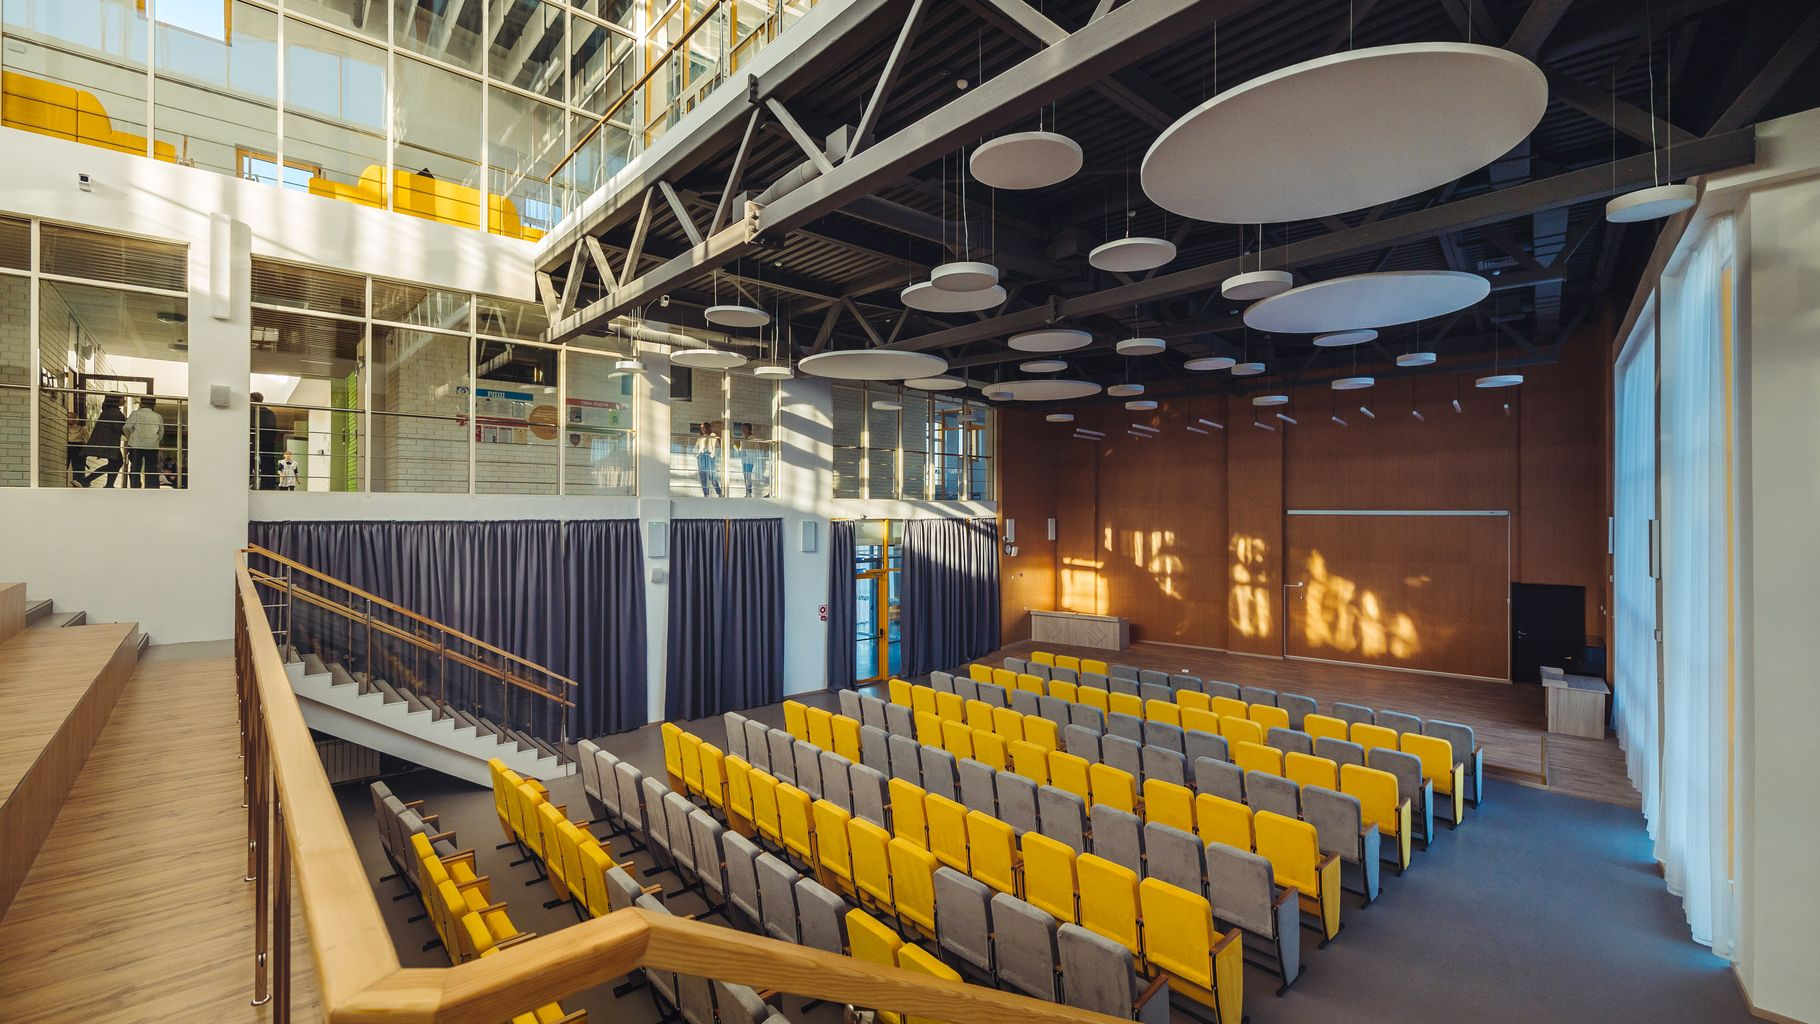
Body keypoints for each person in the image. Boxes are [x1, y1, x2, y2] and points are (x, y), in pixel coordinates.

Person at [77, 395, 125, 487]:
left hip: (105, 441)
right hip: (110, 442)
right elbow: (119, 428)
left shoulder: (106, 411)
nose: (124, 400)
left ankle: (108, 484)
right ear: (116, 400)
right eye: (122, 398)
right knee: (117, 463)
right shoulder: (116, 413)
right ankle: (87, 480)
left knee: (114, 463)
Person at [122, 396, 164, 488]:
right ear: (154, 405)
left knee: (135, 467)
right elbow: (161, 432)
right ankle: (151, 487)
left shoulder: (135, 414)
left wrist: (130, 437)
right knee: (151, 468)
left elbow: (126, 427)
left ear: (141, 403)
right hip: (152, 445)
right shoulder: (158, 416)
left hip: (136, 444)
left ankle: (135, 486)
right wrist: (156, 441)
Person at [249, 392, 280, 489]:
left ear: (253, 400)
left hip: (258, 442)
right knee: (267, 465)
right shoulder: (269, 413)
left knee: (252, 463)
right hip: (266, 443)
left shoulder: (251, 412)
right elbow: (273, 430)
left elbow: (271, 429)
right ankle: (268, 486)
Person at [694, 420, 722, 496]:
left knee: (711, 475)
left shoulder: (712, 434)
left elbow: (716, 447)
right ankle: (706, 494)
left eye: (703, 427)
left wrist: (711, 455)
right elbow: (696, 447)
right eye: (701, 428)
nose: (702, 429)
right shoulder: (700, 437)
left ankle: (719, 492)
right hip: (701, 456)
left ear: (707, 427)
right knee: (702, 475)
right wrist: (697, 455)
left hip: (708, 456)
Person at [736, 422, 763, 497]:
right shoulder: (744, 439)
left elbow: (757, 449)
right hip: (744, 460)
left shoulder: (753, 438)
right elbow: (741, 449)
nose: (743, 430)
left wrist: (756, 459)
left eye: (745, 428)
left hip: (750, 460)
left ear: (749, 429)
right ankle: (747, 492)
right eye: (742, 429)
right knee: (745, 476)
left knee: (748, 476)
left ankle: (749, 492)